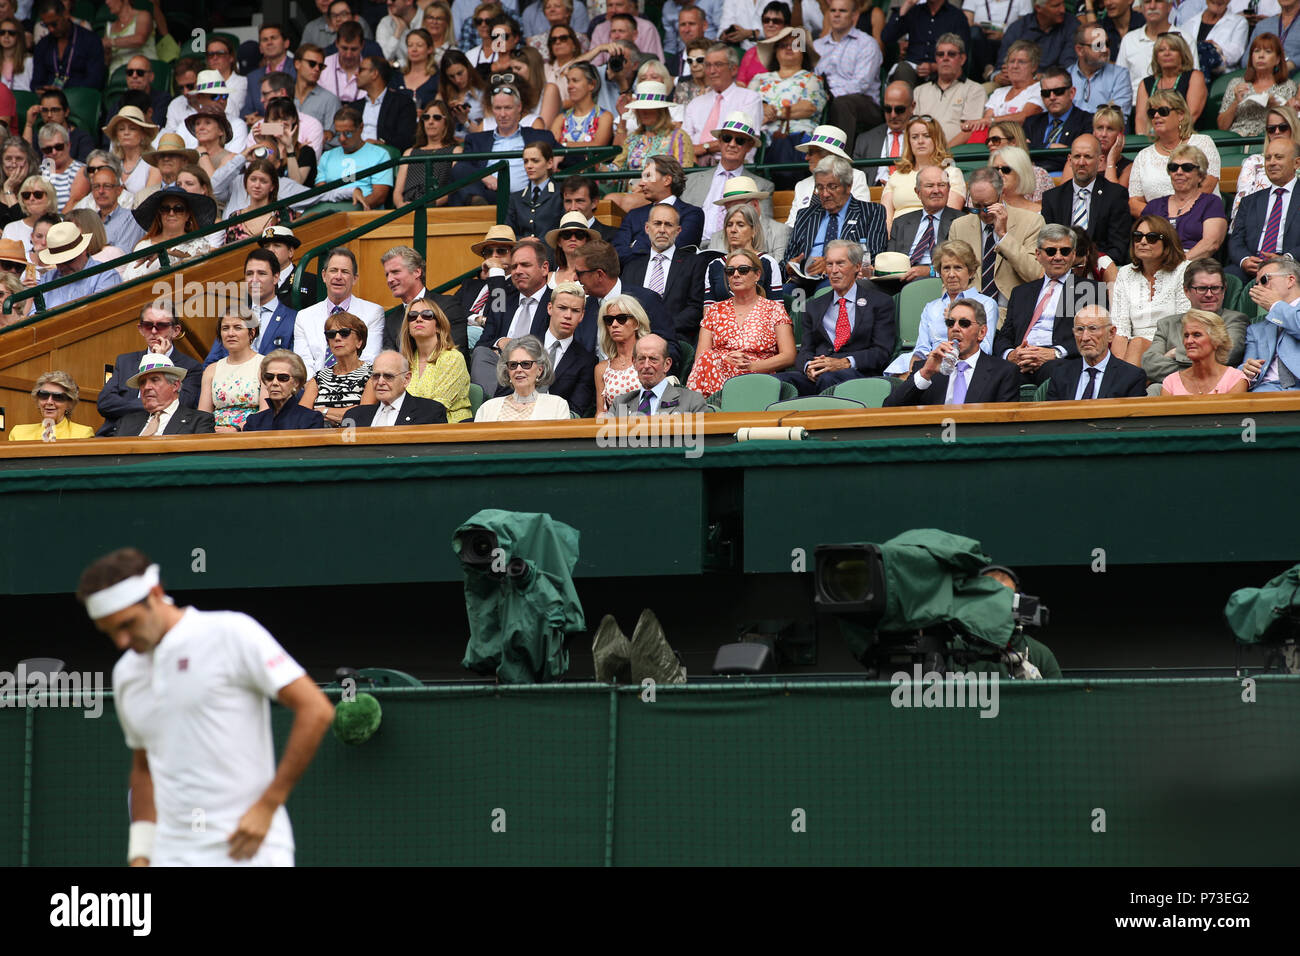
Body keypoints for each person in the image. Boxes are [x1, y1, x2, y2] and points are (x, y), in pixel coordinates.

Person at [80, 545, 333, 865]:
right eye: (110, 632)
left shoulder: (230, 632)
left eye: (127, 624)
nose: (122, 642)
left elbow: (316, 709)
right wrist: (140, 854)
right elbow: (144, 768)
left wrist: (268, 805)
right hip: (171, 856)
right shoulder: (126, 675)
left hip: (251, 851)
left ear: (155, 593)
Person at [776, 239, 895, 395]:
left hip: (858, 374)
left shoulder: (879, 302)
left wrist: (844, 362)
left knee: (829, 378)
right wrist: (808, 367)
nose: (834, 270)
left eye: (840, 264)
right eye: (830, 264)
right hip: (819, 374)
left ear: (857, 267)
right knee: (779, 381)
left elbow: (881, 352)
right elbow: (805, 350)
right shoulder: (813, 306)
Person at [994, 224, 1106, 386]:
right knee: (992, 373)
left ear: (1073, 255)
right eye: (1051, 251)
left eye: (1065, 251)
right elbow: (1005, 335)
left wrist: (1055, 353)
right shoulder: (1021, 292)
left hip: (1060, 362)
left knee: (1056, 371)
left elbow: (1096, 334)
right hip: (1019, 360)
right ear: (1038, 255)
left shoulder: (1089, 289)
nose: (1058, 257)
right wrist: (1011, 354)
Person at [687, 248, 794, 396]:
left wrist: (751, 366)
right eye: (730, 271)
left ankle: (705, 410)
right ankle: (713, 406)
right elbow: (701, 357)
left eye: (743, 270)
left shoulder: (774, 309)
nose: (736, 275)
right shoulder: (714, 310)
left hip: (758, 376)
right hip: (716, 373)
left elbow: (788, 355)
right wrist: (725, 360)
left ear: (757, 275)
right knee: (707, 359)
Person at [884, 238, 999, 375]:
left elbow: (986, 349)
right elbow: (922, 347)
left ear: (971, 272)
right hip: (930, 363)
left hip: (966, 367)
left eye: (958, 267)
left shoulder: (986, 304)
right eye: (946, 268)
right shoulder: (931, 307)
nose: (951, 274)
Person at [947, 168, 1044, 320]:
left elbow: (1035, 273)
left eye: (988, 205)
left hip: (1012, 314)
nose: (983, 212)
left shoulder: (1032, 222)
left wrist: (1003, 236)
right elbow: (949, 275)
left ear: (1001, 195)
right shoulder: (959, 226)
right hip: (969, 314)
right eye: (976, 207)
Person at [885, 297, 1021, 405]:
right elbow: (890, 409)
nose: (955, 328)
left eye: (964, 323)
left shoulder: (1004, 372)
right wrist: (925, 373)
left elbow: (1005, 425)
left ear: (982, 332)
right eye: (950, 323)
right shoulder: (927, 368)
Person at [784, 155, 887, 286]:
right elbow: (786, 261)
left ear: (848, 186)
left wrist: (830, 265)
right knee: (783, 294)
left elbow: (873, 255)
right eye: (820, 188)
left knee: (826, 290)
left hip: (843, 281)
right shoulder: (806, 215)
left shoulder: (871, 212)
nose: (825, 194)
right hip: (802, 281)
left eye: (832, 187)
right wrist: (789, 266)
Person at [98, 304, 202, 435]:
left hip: (164, 434)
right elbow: (105, 403)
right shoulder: (125, 361)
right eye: (148, 325)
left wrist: (160, 360)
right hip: (117, 433)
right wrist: (152, 404)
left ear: (176, 330)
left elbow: (181, 404)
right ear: (140, 329)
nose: (153, 331)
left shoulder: (191, 366)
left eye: (161, 325)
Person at [1142, 258, 1249, 382]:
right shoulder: (1167, 324)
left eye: (1215, 288)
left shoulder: (1236, 320)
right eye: (1202, 288)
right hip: (1173, 390)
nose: (1209, 294)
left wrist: (1174, 354)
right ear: (1187, 291)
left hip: (1217, 388)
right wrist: (1200, 366)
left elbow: (1227, 355)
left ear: (1224, 290)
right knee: (1154, 390)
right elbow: (1149, 365)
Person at [469, 236, 553, 391]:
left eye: (525, 265)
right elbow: (483, 342)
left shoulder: (555, 302)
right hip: (501, 371)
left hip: (536, 372)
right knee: (480, 353)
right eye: (514, 267)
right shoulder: (502, 301)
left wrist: (516, 347)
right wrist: (499, 341)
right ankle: (501, 401)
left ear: (545, 268)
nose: (518, 271)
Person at [571, 238, 676, 361]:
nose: (574, 278)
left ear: (599, 274)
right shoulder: (586, 307)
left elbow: (671, 349)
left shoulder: (646, 301)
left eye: (579, 273)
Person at [452, 86, 556, 205]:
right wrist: (484, 176)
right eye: (498, 108)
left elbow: (570, 155)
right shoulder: (477, 139)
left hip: (529, 197)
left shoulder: (540, 136)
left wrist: (558, 155)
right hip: (490, 196)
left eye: (508, 108)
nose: (502, 114)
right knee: (459, 168)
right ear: (492, 110)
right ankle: (479, 205)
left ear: (519, 107)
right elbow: (462, 168)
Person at [1041, 133, 1132, 267]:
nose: (1081, 162)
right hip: (1060, 270)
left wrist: (1087, 264)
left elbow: (1118, 248)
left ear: (1100, 160)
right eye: (1077, 156)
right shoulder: (1052, 198)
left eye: (1088, 157)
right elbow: (1047, 244)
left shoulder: (1115, 195)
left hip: (1099, 272)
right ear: (1069, 159)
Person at [681, 113, 773, 243]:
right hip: (691, 249)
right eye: (727, 138)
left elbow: (764, 229)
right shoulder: (691, 181)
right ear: (719, 141)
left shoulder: (762, 186)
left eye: (740, 140)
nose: (732, 144)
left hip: (733, 251)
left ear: (749, 146)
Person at [1126, 91, 1220, 218]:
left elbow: (1207, 185)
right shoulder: (1143, 156)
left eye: (1163, 111)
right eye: (1152, 113)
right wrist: (1165, 218)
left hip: (1199, 220)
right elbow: (1134, 203)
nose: (1156, 116)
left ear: (1180, 114)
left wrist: (1179, 216)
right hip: (1158, 227)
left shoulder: (1203, 143)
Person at [1112, 214, 1190, 365]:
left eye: (1152, 237)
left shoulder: (1184, 270)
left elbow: (1185, 322)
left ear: (1167, 242)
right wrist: (1117, 367)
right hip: (1133, 351)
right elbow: (1120, 329)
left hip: (1172, 348)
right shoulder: (1125, 273)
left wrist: (1167, 356)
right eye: (1137, 236)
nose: (1142, 242)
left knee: (1138, 343)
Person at [295, 247, 385, 376]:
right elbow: (302, 363)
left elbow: (369, 359)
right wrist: (319, 388)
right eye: (333, 271)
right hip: (314, 389)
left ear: (354, 278)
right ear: (324, 276)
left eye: (345, 272)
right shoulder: (304, 316)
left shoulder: (373, 313)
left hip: (356, 389)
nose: (338, 276)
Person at [204, 249, 298, 366]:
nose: (254, 280)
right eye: (249, 274)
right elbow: (210, 363)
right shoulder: (231, 317)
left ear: (275, 278)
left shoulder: (294, 319)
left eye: (261, 273)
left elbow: (296, 366)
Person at [621, 202, 700, 340]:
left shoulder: (693, 263)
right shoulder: (632, 266)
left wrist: (661, 328)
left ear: (678, 230)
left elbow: (695, 308)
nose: (662, 230)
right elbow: (624, 304)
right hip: (634, 339)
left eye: (668, 224)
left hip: (674, 339)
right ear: (647, 228)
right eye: (657, 223)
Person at [1228, 138, 1300, 279]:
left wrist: (1287, 258)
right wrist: (1244, 260)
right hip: (1252, 264)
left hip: (1292, 265)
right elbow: (1236, 240)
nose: (1272, 162)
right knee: (1219, 279)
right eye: (1268, 158)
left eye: (1279, 157)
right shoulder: (1249, 201)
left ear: (1296, 163)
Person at [610, 154, 704, 262]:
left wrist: (634, 245)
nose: (641, 183)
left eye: (648, 176)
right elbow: (616, 253)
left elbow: (677, 251)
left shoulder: (692, 214)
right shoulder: (634, 215)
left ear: (667, 180)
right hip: (633, 277)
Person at [1043, 303, 1148, 399]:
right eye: (1079, 329)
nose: (1085, 338)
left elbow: (1133, 418)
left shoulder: (1131, 377)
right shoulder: (1060, 374)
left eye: (1093, 329)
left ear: (1111, 333)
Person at [681, 44, 764, 164]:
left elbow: (744, 139)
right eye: (708, 65)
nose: (712, 71)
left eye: (718, 65)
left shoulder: (749, 98)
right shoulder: (695, 103)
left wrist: (703, 148)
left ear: (734, 69)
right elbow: (684, 141)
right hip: (694, 164)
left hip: (734, 164)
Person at [1141, 145, 1227, 259]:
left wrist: (1178, 265)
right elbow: (1140, 241)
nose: (1179, 172)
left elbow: (1211, 244)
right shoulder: (1153, 206)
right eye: (1173, 167)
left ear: (1200, 175)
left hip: (1195, 267)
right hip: (1156, 266)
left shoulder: (1211, 203)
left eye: (1187, 167)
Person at [881, 115, 966, 231]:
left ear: (936, 139)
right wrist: (894, 242)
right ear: (908, 142)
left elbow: (948, 216)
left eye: (927, 136)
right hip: (898, 239)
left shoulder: (951, 173)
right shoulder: (897, 175)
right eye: (915, 137)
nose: (920, 141)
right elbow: (885, 219)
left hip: (934, 236)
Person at [380, 244, 468, 355]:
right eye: (387, 274)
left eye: (395, 272)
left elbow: (456, 352)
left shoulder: (447, 306)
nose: (389, 279)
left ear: (417, 272)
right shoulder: (391, 320)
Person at [394, 298, 471, 421]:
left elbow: (437, 407)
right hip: (409, 427)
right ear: (408, 328)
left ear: (438, 327)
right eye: (412, 316)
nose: (418, 319)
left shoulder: (452, 358)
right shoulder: (404, 363)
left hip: (448, 430)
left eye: (427, 315)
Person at [814, 0, 884, 134]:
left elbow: (861, 84)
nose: (836, 15)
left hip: (863, 103)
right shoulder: (817, 46)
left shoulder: (867, 44)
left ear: (855, 16)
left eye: (843, 11)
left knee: (842, 103)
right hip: (825, 99)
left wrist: (830, 95)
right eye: (833, 10)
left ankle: (839, 154)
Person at [748, 25, 826, 145]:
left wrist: (773, 113)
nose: (789, 48)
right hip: (758, 139)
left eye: (795, 45)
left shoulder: (812, 79)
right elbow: (746, 107)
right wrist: (762, 108)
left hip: (797, 139)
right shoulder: (759, 79)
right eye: (783, 45)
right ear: (776, 51)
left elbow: (809, 108)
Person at [700, 200, 784, 310]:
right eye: (729, 225)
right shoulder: (714, 265)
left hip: (759, 325)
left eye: (740, 225)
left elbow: (777, 310)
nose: (733, 230)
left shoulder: (767, 262)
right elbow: (708, 311)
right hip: (721, 326)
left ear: (754, 231)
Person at [884, 166, 962, 283]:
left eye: (941, 185)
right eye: (930, 186)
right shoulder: (901, 223)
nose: (936, 190)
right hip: (901, 280)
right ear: (918, 192)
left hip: (942, 281)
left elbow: (964, 263)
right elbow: (891, 260)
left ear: (948, 189)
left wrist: (929, 271)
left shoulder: (961, 221)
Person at [299, 309, 376, 426]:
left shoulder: (373, 374)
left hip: (355, 439)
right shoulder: (320, 377)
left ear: (359, 341)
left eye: (344, 333)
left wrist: (322, 411)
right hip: (319, 439)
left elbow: (362, 416)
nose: (337, 338)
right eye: (331, 334)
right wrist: (347, 412)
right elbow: (302, 416)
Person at [121, 187, 215, 282]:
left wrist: (165, 251)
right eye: (165, 209)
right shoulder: (144, 245)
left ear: (187, 215)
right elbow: (129, 278)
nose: (171, 213)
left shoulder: (197, 242)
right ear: (159, 213)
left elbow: (201, 254)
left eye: (178, 209)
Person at [110, 352, 216, 436]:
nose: (147, 387)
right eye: (142, 382)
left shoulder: (199, 421)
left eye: (154, 380)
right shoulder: (126, 422)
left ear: (175, 385)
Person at [607, 332, 709, 415]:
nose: (646, 365)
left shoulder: (692, 402)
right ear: (634, 363)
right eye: (641, 359)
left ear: (667, 365)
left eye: (653, 359)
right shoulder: (620, 404)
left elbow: (701, 440)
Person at [913, 33, 987, 147]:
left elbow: (969, 131)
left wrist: (942, 153)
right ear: (936, 59)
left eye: (951, 54)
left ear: (962, 59)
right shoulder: (919, 91)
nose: (945, 58)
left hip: (956, 157)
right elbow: (913, 128)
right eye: (940, 54)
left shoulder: (975, 90)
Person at [474, 334, 572, 420]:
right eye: (513, 365)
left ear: (539, 370)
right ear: (507, 371)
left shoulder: (557, 405)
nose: (518, 369)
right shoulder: (487, 408)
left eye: (526, 364)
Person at [1118, 0, 1200, 101]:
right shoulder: (1129, 40)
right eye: (1147, 2)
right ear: (1141, 8)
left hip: (1176, 108)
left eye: (1158, 1)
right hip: (1134, 108)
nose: (1152, 6)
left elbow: (1194, 81)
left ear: (1170, 6)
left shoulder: (1185, 39)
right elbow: (1120, 83)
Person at [34, 218, 123, 311]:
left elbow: (99, 314)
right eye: (58, 262)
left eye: (69, 260)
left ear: (84, 250)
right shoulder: (47, 278)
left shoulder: (105, 275)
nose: (63, 266)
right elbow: (34, 314)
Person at [789, 125, 871, 224]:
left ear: (827, 155)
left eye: (811, 153)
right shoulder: (802, 186)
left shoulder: (855, 177)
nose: (806, 158)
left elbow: (862, 215)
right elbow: (792, 224)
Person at [1231, 104, 1300, 221]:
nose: (1277, 132)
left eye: (1283, 127)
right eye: (1271, 129)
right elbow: (1239, 209)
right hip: (1257, 228)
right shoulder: (1253, 162)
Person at [1220, 34, 1294, 142]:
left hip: (1270, 139)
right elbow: (1222, 127)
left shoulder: (1288, 86)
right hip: (1236, 139)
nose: (1261, 55)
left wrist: (1276, 107)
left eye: (1268, 51)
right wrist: (1236, 102)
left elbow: (1293, 125)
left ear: (1278, 59)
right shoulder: (1236, 83)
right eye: (1257, 51)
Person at [607, 81, 695, 172]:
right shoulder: (633, 139)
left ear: (661, 110)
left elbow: (685, 176)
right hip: (633, 186)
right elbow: (615, 171)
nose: (644, 112)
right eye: (641, 108)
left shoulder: (679, 137)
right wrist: (597, 165)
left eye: (649, 108)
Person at [316, 106, 394, 210]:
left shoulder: (380, 154)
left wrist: (352, 209)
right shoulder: (327, 156)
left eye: (348, 133)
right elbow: (321, 191)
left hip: (363, 214)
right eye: (338, 133)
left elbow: (379, 196)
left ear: (361, 128)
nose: (342, 139)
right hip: (329, 212)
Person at [1241, 255, 1300, 390]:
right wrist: (1248, 370)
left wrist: (1275, 305)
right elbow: (1246, 366)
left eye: (1264, 280)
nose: (1259, 288)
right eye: (1257, 284)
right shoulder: (1256, 329)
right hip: (1265, 390)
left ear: (1290, 280)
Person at [198, 312, 264, 432]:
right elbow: (203, 415)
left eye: (238, 327)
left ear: (252, 332)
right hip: (215, 435)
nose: (230, 333)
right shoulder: (211, 370)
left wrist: (237, 429)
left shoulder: (265, 365)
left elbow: (266, 411)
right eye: (225, 328)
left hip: (251, 434)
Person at [881, 0, 971, 89]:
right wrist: (905, 7)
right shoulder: (915, 11)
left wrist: (934, 67)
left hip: (940, 72)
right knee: (903, 69)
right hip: (912, 70)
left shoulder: (957, 16)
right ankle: (905, 102)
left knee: (946, 74)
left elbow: (962, 56)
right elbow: (886, 38)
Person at [1022, 67, 1093, 174]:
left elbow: (1081, 158)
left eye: (1058, 91)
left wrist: (1037, 153)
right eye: (1046, 93)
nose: (1052, 97)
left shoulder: (1087, 121)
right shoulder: (1031, 122)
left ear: (1072, 93)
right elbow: (1021, 152)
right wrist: (1050, 147)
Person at [1160, 309, 1249, 393]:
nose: (1189, 341)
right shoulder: (1170, 383)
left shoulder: (1235, 380)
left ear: (1216, 340)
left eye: (1197, 335)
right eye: (1186, 336)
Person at [1134, 32, 1207, 134]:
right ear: (1156, 56)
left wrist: (1170, 139)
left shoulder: (1194, 76)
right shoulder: (1146, 83)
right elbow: (1141, 119)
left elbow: (1191, 114)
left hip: (1186, 137)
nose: (1167, 53)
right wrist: (1144, 142)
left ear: (1182, 54)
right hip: (1152, 140)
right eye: (1161, 50)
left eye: (1173, 49)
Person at [395, 99, 458, 207]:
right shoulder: (409, 152)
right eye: (426, 117)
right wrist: (401, 206)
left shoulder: (455, 151)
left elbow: (455, 189)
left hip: (437, 209)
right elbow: (397, 192)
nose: (430, 122)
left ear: (446, 122)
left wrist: (428, 205)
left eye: (437, 118)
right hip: (407, 208)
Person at [242, 350, 326, 430]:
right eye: (269, 377)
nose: (274, 383)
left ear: (296, 382)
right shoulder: (254, 421)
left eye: (283, 378)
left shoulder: (310, 419)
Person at [31, 0, 105, 91]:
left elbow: (95, 80)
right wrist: (42, 89)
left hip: (80, 97)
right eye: (46, 25)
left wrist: (64, 89)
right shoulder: (43, 44)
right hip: (48, 99)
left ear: (65, 15)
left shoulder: (90, 40)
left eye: (54, 24)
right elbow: (36, 82)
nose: (51, 29)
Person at [594, 293, 649, 412]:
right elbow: (600, 413)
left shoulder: (650, 361)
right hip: (614, 428)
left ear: (636, 323)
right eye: (609, 320)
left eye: (621, 319)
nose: (614, 324)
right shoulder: (602, 369)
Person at [1069, 23, 1133, 123]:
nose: (1105, 49)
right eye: (1098, 45)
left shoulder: (1120, 75)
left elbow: (1117, 118)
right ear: (1080, 50)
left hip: (1104, 135)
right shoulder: (1066, 77)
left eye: (1107, 44)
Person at [351, 55, 416, 152]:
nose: (356, 74)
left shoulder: (402, 103)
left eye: (361, 70)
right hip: (355, 156)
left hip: (385, 157)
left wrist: (380, 143)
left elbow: (406, 139)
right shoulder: (354, 107)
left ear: (374, 74)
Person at [998, 0, 1080, 75]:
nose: (1063, 10)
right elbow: (1002, 63)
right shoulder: (1018, 28)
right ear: (1038, 8)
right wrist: (997, 76)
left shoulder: (1072, 25)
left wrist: (1042, 77)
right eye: (1056, 6)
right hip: (1014, 81)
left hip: (1053, 84)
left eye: (1063, 4)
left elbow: (1068, 65)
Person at [8, 370, 93, 441]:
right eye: (44, 395)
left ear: (69, 403)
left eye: (58, 397)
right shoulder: (19, 434)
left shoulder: (82, 434)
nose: (49, 402)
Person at [505, 140, 563, 239]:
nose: (529, 166)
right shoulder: (516, 198)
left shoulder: (561, 193)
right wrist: (523, 241)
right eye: (525, 161)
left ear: (549, 163)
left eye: (535, 161)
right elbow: (509, 233)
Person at [552, 61, 613, 152]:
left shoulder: (604, 116)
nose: (569, 86)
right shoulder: (561, 118)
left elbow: (597, 146)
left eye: (575, 81)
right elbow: (551, 145)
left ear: (592, 84)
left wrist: (563, 145)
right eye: (568, 81)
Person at [222, 160, 282, 246]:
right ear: (246, 183)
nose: (257, 185)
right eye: (253, 180)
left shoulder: (281, 213)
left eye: (263, 181)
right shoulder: (234, 217)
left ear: (272, 186)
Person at [984, 40, 1044, 125]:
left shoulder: (1040, 89)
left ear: (1034, 67)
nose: (1015, 66)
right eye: (1012, 61)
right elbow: (986, 122)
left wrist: (993, 120)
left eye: (1021, 62)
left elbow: (1024, 117)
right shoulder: (999, 93)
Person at [293, 44, 344, 133]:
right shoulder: (283, 94)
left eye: (320, 66)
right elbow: (267, 129)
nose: (317, 69)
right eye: (312, 64)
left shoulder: (330, 100)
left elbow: (335, 138)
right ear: (297, 64)